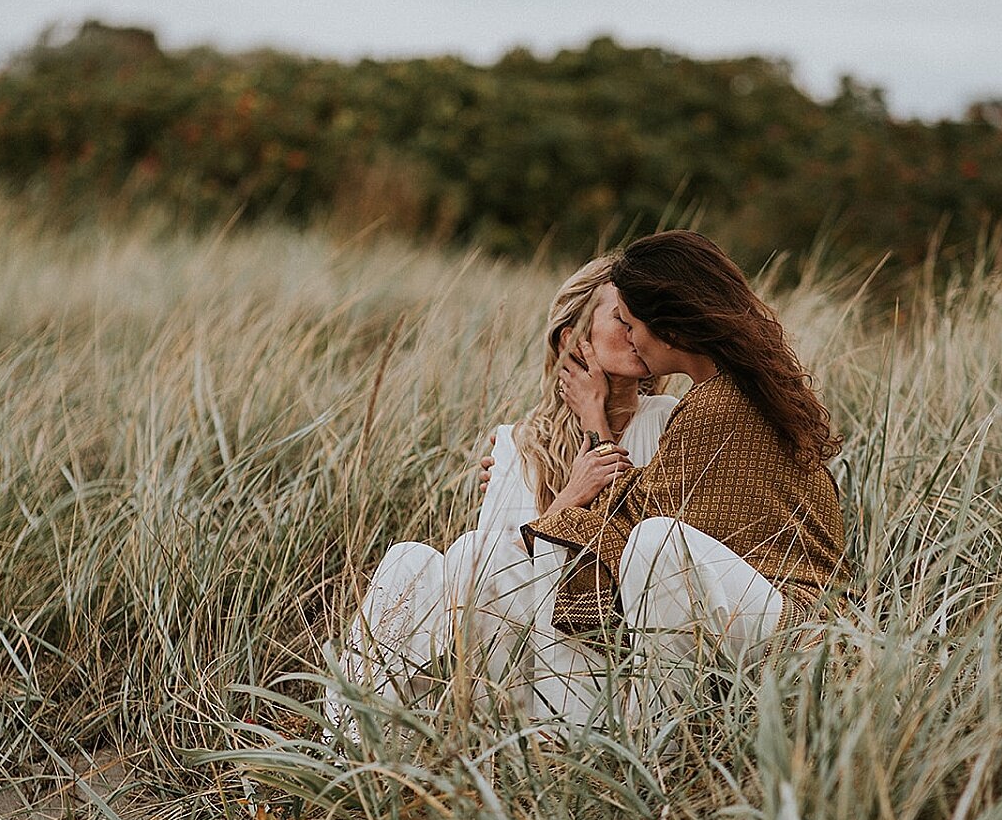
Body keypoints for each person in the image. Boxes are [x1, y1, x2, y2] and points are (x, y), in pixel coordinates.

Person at [337, 257, 677, 726]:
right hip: (511, 655)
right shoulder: (519, 443)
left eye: (642, 320)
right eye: (622, 319)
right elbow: (488, 575)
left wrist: (596, 425)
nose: (639, 332)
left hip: (607, 637)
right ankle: (357, 733)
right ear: (572, 341)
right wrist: (570, 495)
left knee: (472, 554)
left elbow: (631, 544)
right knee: (407, 562)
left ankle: (472, 734)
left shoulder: (665, 419)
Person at [522, 230, 846, 722]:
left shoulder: (720, 406)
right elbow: (653, 505)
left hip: (800, 630)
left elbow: (630, 524)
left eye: (631, 325)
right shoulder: (732, 391)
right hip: (778, 617)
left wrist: (586, 446)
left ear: (667, 324)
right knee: (653, 546)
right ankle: (652, 739)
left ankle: (656, 747)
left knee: (654, 544)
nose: (629, 340)